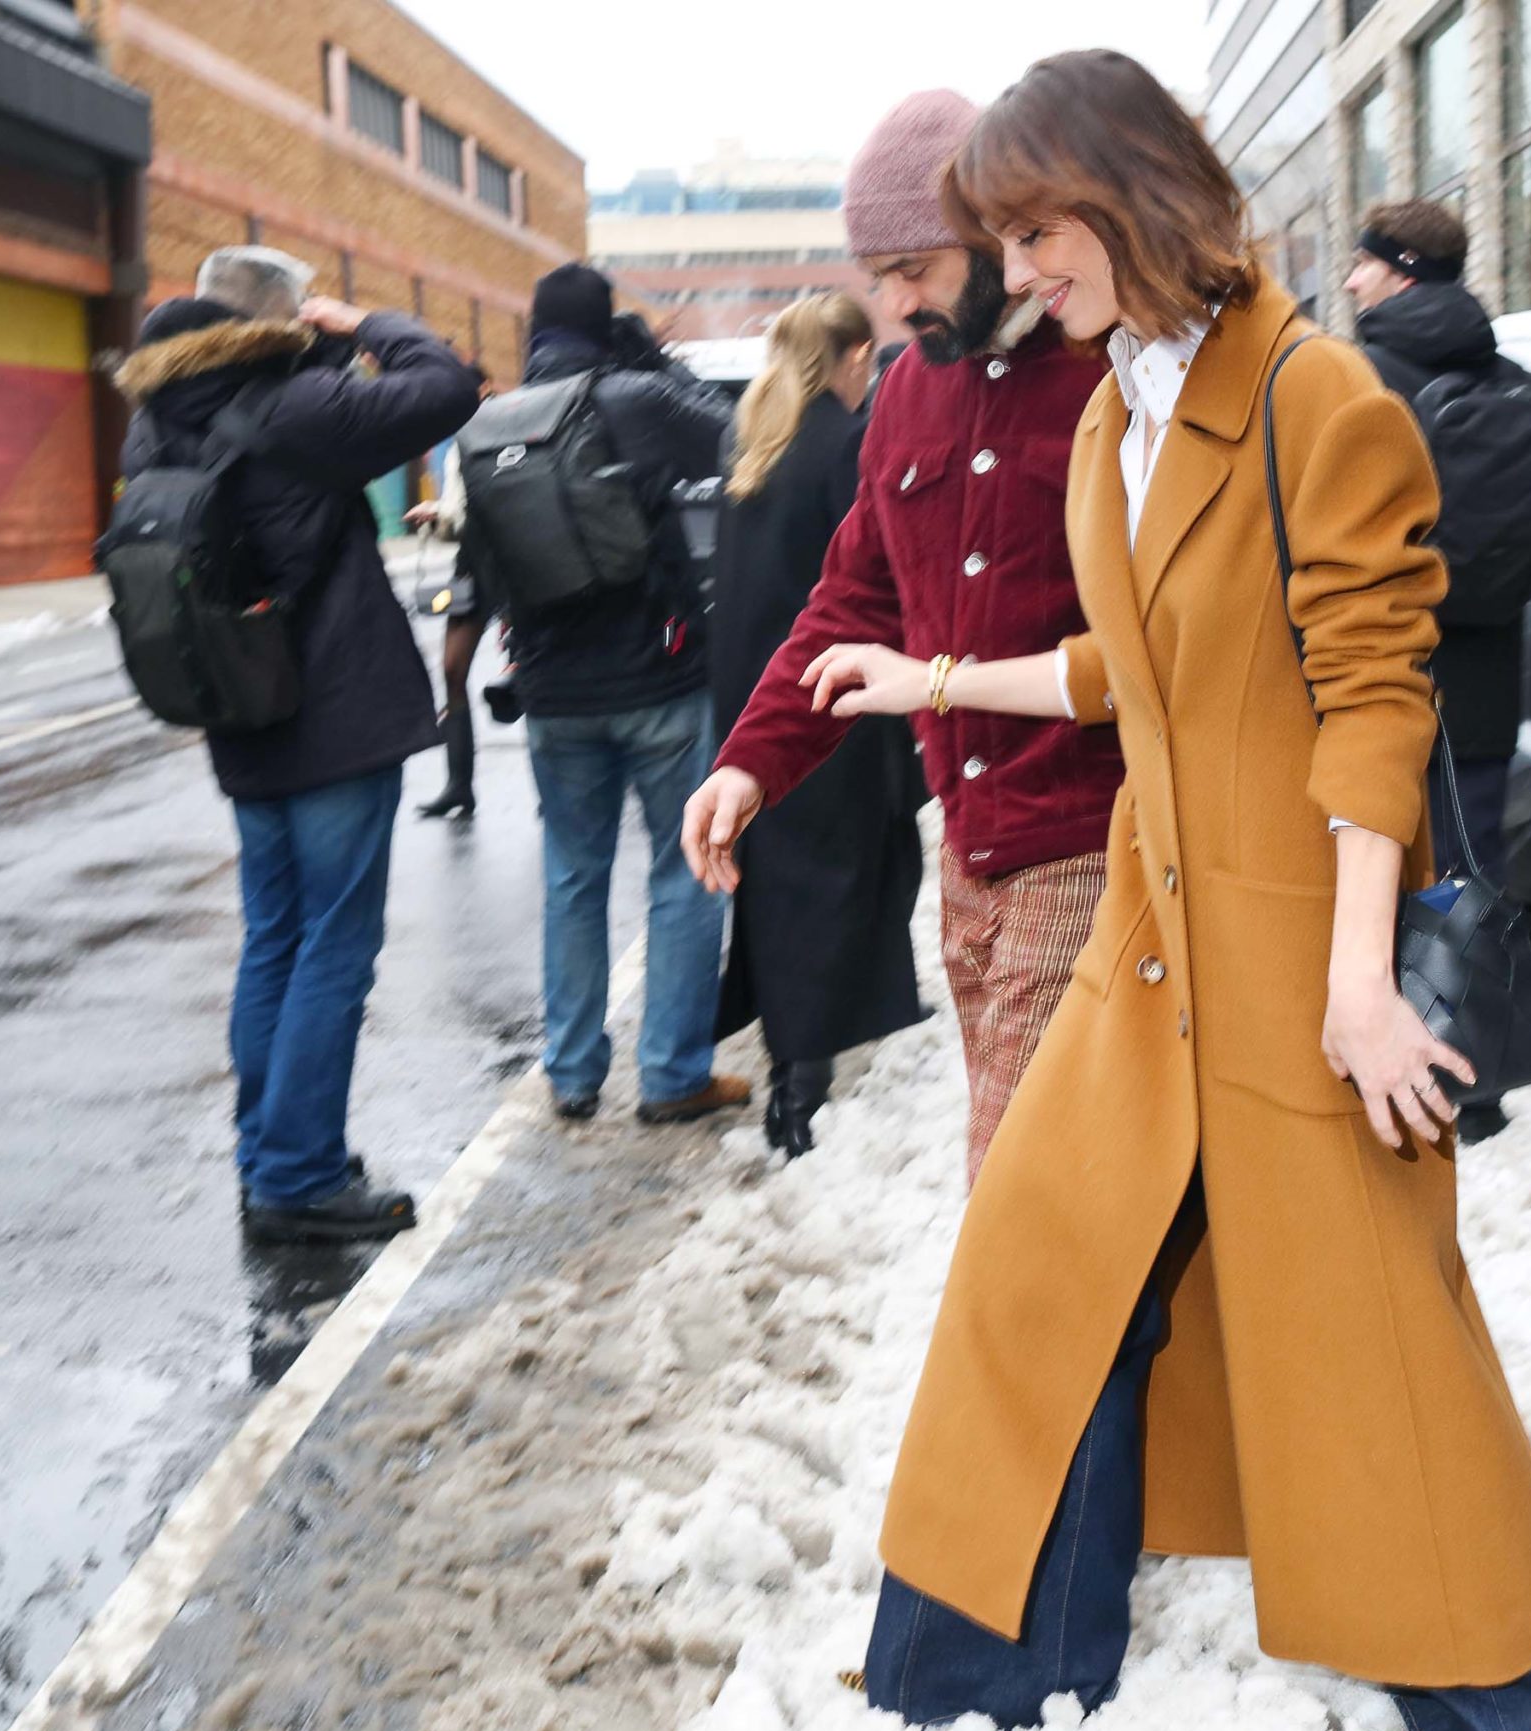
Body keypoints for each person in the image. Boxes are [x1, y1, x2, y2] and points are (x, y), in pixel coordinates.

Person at [798, 51, 1531, 1731]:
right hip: (1148, 946)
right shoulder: (1115, 411)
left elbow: (1377, 706)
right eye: (999, 243)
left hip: (1303, 955)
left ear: (1126, 191)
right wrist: (927, 676)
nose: (1019, 276)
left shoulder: (1323, 399)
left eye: (1033, 231)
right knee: (1043, 1273)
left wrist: (1358, 995)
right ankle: (990, 1662)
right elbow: (1127, 663)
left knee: (1378, 1342)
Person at [682, 89, 1121, 1183]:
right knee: (1061, 1197)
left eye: (914, 269)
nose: (892, 303)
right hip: (968, 854)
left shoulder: (1111, 371)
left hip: (1094, 841)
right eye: (876, 277)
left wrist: (935, 679)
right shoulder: (909, 399)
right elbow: (849, 601)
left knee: (1025, 1197)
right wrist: (750, 760)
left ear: (993, 234)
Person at [115, 278, 478, 1243]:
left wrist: (306, 360)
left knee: (273, 938)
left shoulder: (151, 430)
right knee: (335, 947)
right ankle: (302, 1173)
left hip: (240, 713)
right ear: (252, 333)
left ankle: (266, 1153)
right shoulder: (293, 407)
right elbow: (444, 385)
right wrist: (361, 329)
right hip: (335, 717)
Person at [461, 264, 744, 1125]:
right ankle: (671, 1076)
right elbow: (739, 436)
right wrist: (657, 366)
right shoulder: (635, 396)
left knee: (574, 877)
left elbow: (482, 560)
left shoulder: (487, 424)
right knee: (683, 870)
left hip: (550, 690)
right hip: (657, 679)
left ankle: (573, 1072)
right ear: (606, 323)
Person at [1343, 199, 1531, 1142]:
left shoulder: (1357, 379)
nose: (1352, 281)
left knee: (1372, 877)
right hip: (1486, 683)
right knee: (1470, 878)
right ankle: (1476, 1075)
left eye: (1362, 265)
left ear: (1397, 270)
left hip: (1385, 676)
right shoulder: (1519, 383)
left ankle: (1388, 1066)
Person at [709, 291, 929, 1157]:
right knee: (835, 892)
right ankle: (801, 1092)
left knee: (778, 890)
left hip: (756, 705)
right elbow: (874, 584)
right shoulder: (845, 444)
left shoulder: (750, 442)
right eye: (865, 359)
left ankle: (785, 1074)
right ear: (846, 359)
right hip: (831, 701)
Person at [404, 370, 494, 821]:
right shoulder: (460, 439)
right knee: (452, 670)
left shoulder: (490, 428)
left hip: (518, 561)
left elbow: (462, 512)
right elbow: (460, 517)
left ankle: (557, 785)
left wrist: (439, 513)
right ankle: (459, 785)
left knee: (529, 673)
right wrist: (438, 514)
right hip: (476, 563)